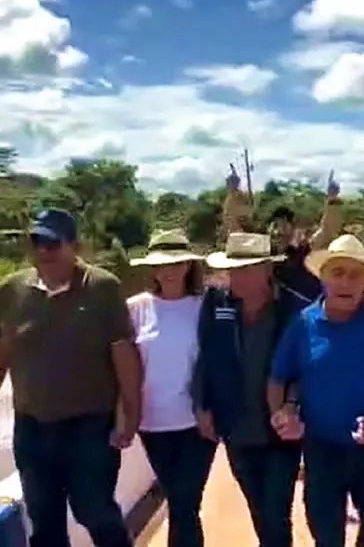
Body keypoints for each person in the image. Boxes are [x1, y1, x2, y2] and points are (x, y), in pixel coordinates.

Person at [0, 209, 140, 547]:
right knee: (44, 523)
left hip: (90, 427)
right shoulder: (10, 291)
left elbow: (125, 357)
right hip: (31, 429)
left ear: (75, 246)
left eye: (52, 242)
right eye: (36, 242)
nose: (44, 250)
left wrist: (128, 414)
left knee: (95, 511)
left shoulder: (102, 288)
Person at [268, 234, 364, 547]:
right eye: (338, 273)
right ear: (323, 279)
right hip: (321, 449)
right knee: (326, 535)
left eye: (355, 274)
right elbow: (278, 378)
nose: (346, 282)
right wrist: (281, 416)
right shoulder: (303, 324)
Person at [194, 232, 307, 547]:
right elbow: (205, 355)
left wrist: (293, 406)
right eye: (233, 270)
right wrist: (202, 405)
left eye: (246, 269)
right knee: (258, 508)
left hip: (278, 430)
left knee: (275, 511)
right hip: (236, 428)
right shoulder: (216, 303)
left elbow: (304, 367)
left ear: (268, 270)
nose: (237, 277)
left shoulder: (294, 310)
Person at [126, 230, 216, 547]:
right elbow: (119, 365)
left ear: (188, 266)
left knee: (185, 502)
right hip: (152, 425)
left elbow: (216, 364)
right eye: (162, 264)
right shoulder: (135, 309)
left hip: (197, 424)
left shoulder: (205, 307)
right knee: (181, 504)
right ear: (152, 269)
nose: (170, 270)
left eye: (177, 262)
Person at [266, 185, 342, 304]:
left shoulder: (303, 254)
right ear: (267, 229)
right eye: (275, 225)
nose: (278, 232)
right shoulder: (258, 260)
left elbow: (327, 231)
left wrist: (332, 201)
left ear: (293, 229)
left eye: (284, 226)